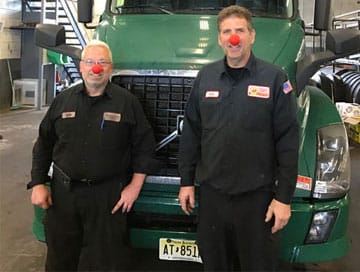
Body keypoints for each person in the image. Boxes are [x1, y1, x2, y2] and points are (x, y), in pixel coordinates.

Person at [178, 5, 299, 271]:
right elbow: (191, 132)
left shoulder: (275, 79)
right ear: (220, 38)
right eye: (227, 32)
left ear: (252, 36)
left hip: (257, 201)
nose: (234, 38)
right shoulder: (205, 77)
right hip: (213, 198)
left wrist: (284, 198)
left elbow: (289, 142)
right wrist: (186, 182)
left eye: (240, 31)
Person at [28, 40, 156, 271]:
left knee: (105, 263)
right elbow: (44, 143)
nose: (96, 68)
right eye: (90, 62)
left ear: (110, 68)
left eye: (102, 62)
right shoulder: (63, 100)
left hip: (107, 197)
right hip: (64, 195)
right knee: (60, 260)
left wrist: (135, 187)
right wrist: (38, 183)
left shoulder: (127, 103)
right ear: (81, 67)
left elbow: (144, 146)